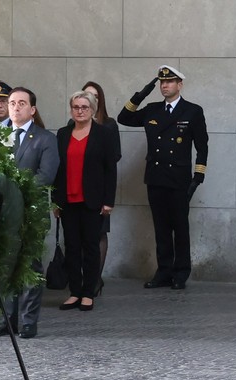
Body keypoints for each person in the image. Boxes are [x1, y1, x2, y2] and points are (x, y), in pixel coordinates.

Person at [117, 65, 207, 290]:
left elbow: (202, 146)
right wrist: (143, 92)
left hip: (179, 178)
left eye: (170, 81)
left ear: (180, 85)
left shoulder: (192, 111)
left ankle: (181, 272)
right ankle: (164, 271)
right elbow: (124, 117)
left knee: (180, 226)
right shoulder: (152, 109)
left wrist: (198, 176)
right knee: (161, 227)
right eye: (161, 82)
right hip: (156, 177)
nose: (165, 85)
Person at [0, 88, 59, 338]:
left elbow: (45, 176)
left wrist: (14, 192)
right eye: (12, 103)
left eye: (21, 103)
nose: (15, 107)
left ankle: (28, 321)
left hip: (31, 213)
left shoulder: (45, 139)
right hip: (3, 214)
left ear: (32, 109)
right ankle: (5, 319)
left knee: (31, 268)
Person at [52, 90, 118, 310]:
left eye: (84, 107)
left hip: (93, 200)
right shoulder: (62, 134)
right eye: (76, 107)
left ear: (92, 110)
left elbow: (110, 170)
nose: (79, 111)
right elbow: (56, 169)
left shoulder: (103, 134)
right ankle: (75, 291)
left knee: (90, 246)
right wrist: (55, 201)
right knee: (72, 247)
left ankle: (89, 292)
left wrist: (109, 201)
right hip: (67, 200)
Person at [81, 80, 121, 293]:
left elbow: (115, 156)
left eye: (95, 96)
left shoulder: (108, 125)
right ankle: (83, 278)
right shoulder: (74, 124)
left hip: (99, 188)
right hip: (78, 189)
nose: (90, 99)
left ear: (100, 100)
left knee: (99, 234)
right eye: (86, 94)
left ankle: (96, 279)